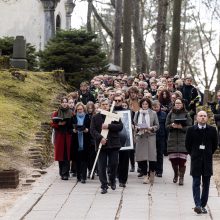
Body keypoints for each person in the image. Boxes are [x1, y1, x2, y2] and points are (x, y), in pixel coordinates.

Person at [185, 111, 218, 214]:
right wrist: (194, 154)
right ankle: (197, 204)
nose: (203, 118)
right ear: (196, 118)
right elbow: (188, 145)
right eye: (201, 116)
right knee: (196, 182)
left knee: (206, 184)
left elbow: (215, 145)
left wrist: (207, 153)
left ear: (207, 118)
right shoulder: (191, 130)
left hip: (207, 160)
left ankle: (203, 205)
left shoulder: (212, 130)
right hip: (196, 160)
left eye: (204, 116)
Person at [90, 98, 123, 194]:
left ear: (109, 105)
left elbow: (120, 127)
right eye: (103, 104)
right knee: (101, 166)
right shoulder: (95, 117)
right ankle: (103, 185)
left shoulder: (114, 115)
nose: (105, 106)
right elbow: (92, 130)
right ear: (100, 105)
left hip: (114, 144)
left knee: (114, 164)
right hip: (101, 144)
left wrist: (108, 126)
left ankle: (112, 180)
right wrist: (100, 138)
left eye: (106, 104)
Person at [166, 98, 192, 185]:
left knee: (182, 161)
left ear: (182, 104)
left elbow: (190, 127)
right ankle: (176, 174)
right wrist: (172, 125)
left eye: (179, 103)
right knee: (173, 160)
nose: (177, 105)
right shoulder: (170, 113)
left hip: (183, 140)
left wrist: (182, 128)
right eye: (176, 103)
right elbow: (166, 126)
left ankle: (181, 177)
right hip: (172, 140)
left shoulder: (186, 114)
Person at [133, 98, 159, 184]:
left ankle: (152, 172)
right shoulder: (137, 113)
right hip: (141, 137)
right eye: (143, 104)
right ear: (141, 105)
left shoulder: (153, 113)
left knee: (152, 157)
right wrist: (137, 128)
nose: (144, 106)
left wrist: (150, 128)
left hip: (150, 136)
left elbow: (157, 126)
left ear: (149, 105)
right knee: (142, 157)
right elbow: (134, 124)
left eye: (146, 104)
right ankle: (145, 175)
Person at [50, 97, 74, 180]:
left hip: (68, 136)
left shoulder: (71, 113)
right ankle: (61, 172)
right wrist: (59, 124)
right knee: (60, 155)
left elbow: (73, 124)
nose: (64, 103)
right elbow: (52, 124)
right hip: (59, 136)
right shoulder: (56, 113)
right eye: (63, 102)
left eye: (66, 102)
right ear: (60, 103)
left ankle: (66, 173)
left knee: (67, 155)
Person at [72, 102, 90, 183]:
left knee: (84, 159)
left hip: (85, 140)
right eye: (78, 109)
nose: (79, 111)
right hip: (76, 140)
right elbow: (69, 128)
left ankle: (84, 177)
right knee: (77, 159)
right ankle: (78, 176)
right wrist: (73, 130)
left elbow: (90, 127)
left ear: (84, 109)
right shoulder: (73, 117)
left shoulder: (87, 117)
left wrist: (87, 130)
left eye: (81, 109)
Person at [152, 100, 167, 177]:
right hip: (152, 136)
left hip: (161, 136)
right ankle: (153, 169)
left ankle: (159, 171)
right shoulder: (150, 114)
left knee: (160, 154)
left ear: (159, 106)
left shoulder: (164, 114)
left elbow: (165, 126)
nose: (156, 108)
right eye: (154, 107)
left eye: (157, 107)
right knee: (153, 154)